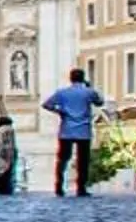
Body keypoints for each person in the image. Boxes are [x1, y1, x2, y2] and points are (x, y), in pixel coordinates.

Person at [42, 68, 104, 197]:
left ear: (71, 79)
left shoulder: (62, 93)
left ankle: (59, 186)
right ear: (83, 78)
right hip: (83, 130)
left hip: (67, 129)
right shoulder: (88, 92)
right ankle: (81, 188)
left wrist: (60, 111)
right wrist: (90, 87)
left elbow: (47, 104)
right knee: (83, 160)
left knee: (63, 159)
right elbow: (99, 102)